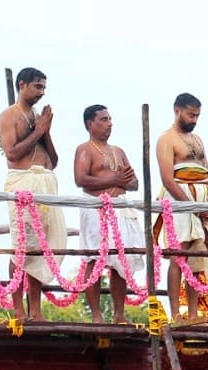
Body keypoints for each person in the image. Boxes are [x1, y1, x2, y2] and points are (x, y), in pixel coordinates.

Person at [0, 67, 63, 321]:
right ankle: (18, 309)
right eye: (37, 87)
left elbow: (54, 160)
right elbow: (12, 153)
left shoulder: (38, 118)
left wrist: (45, 130)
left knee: (40, 248)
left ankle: (35, 311)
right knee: (22, 247)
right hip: (23, 183)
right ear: (22, 85)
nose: (41, 93)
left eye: (44, 88)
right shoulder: (8, 116)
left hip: (46, 183)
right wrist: (38, 130)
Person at [153, 93, 208, 322]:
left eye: (197, 115)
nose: (194, 119)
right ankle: (175, 314)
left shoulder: (198, 139)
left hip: (202, 202)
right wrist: (192, 206)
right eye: (191, 114)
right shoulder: (166, 139)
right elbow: (167, 178)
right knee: (178, 254)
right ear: (177, 110)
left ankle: (193, 313)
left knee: (196, 257)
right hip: (181, 202)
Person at [73, 105, 141, 324]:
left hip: (120, 207)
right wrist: (113, 181)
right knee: (95, 258)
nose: (109, 123)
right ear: (90, 124)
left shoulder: (119, 151)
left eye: (110, 119)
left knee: (122, 260)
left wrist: (125, 182)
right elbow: (81, 179)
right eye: (103, 119)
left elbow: (135, 182)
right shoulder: (85, 148)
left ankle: (119, 314)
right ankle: (96, 315)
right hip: (95, 208)